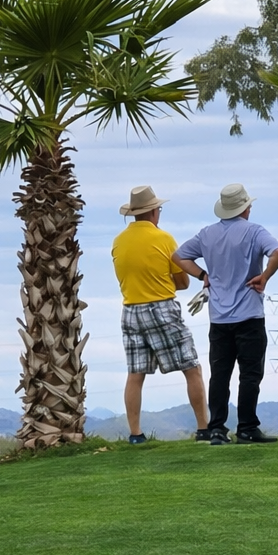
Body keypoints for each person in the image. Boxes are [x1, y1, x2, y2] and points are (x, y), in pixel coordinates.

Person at [172, 183, 278, 445]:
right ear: (245, 208)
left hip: (219, 317)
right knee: (249, 374)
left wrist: (204, 275)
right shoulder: (254, 231)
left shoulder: (207, 234)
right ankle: (246, 427)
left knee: (220, 374)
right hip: (249, 315)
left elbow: (179, 257)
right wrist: (264, 277)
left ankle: (217, 429)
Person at [111, 185, 210, 444]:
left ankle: (135, 434)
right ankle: (203, 428)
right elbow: (183, 281)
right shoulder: (164, 239)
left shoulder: (118, 241)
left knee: (136, 373)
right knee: (192, 367)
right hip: (162, 307)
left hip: (130, 309)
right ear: (154, 211)